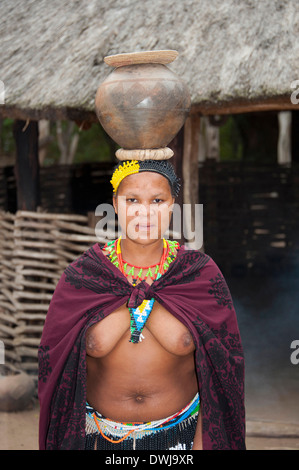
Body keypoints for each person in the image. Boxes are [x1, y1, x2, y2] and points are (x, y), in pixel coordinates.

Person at [38, 159, 246, 450]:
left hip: (180, 440)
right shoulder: (85, 276)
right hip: (99, 440)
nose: (144, 211)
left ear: (172, 204)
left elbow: (223, 369)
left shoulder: (198, 274)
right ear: (115, 203)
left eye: (157, 200)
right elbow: (55, 363)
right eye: (132, 199)